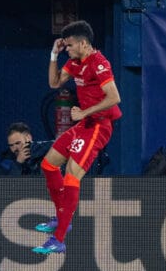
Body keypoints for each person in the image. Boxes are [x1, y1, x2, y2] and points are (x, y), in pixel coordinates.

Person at [32, 20, 123, 254]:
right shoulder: (75, 62)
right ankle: (62, 216)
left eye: (70, 45)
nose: (68, 49)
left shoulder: (100, 64)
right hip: (84, 124)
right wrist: (54, 54)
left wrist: (84, 112)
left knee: (72, 175)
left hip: (99, 126)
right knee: (49, 165)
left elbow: (114, 98)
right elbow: (54, 83)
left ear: (84, 43)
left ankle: (59, 238)